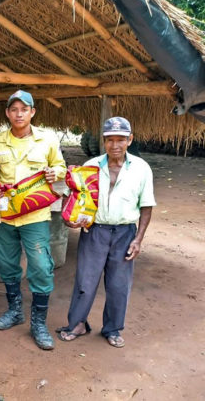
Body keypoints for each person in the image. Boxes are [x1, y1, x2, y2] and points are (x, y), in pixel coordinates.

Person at [56, 116, 155, 348]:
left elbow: (146, 207)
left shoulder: (141, 168)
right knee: (85, 280)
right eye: (110, 140)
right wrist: (72, 218)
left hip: (125, 233)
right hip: (94, 231)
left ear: (130, 140)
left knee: (119, 284)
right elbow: (75, 198)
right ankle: (77, 324)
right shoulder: (90, 166)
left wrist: (138, 240)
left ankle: (112, 329)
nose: (115, 145)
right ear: (104, 141)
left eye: (121, 139)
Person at [0, 90, 66, 350]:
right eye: (14, 109)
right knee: (8, 264)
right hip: (4, 214)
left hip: (35, 215)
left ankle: (38, 322)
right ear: (7, 113)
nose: (19, 113)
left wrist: (53, 171)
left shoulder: (47, 139)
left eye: (24, 109)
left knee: (41, 265)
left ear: (33, 112)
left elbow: (62, 167)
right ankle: (15, 311)